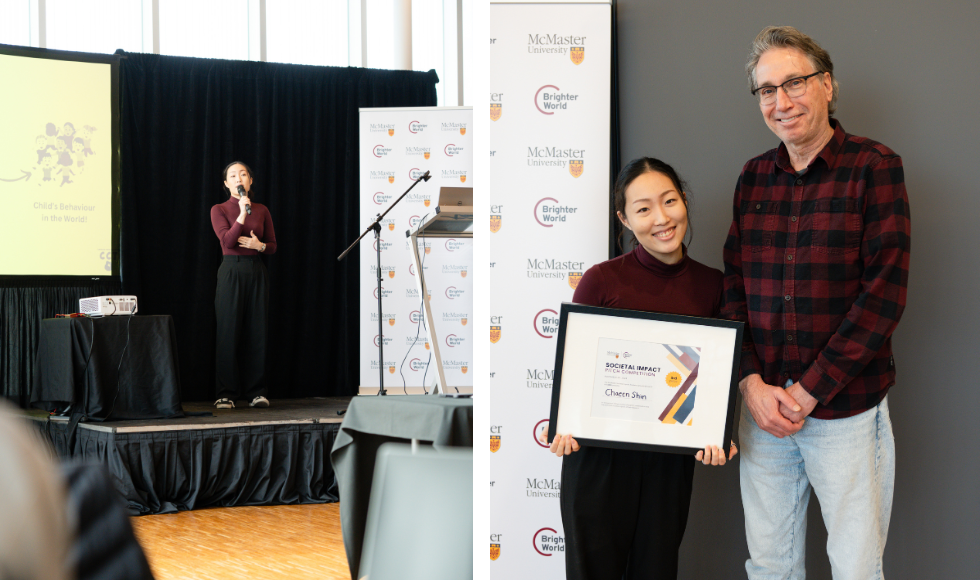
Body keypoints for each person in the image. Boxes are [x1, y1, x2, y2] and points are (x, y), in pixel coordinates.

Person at [722, 26, 910, 579]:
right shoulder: (752, 179)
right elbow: (734, 286)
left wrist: (807, 391)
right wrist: (750, 384)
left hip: (845, 413)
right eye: (766, 90)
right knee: (769, 566)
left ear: (826, 84)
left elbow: (885, 295)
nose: (781, 102)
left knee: (855, 568)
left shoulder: (875, 169)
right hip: (763, 412)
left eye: (794, 83)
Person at [550, 158, 738, 580]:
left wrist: (718, 431)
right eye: (643, 208)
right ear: (624, 218)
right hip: (597, 462)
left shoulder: (714, 286)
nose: (661, 218)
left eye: (669, 201)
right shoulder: (600, 280)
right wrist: (564, 423)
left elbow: (718, 375)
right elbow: (575, 372)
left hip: (668, 464)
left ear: (684, 200)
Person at [210, 161, 278, 409]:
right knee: (228, 332)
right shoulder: (219, 209)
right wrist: (241, 212)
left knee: (257, 332)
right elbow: (227, 242)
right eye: (233, 175)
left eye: (243, 174)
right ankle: (226, 393)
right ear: (227, 183)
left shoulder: (262, 210)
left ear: (250, 180)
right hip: (231, 271)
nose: (239, 178)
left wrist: (258, 246)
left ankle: (257, 392)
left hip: (256, 270)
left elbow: (272, 245)